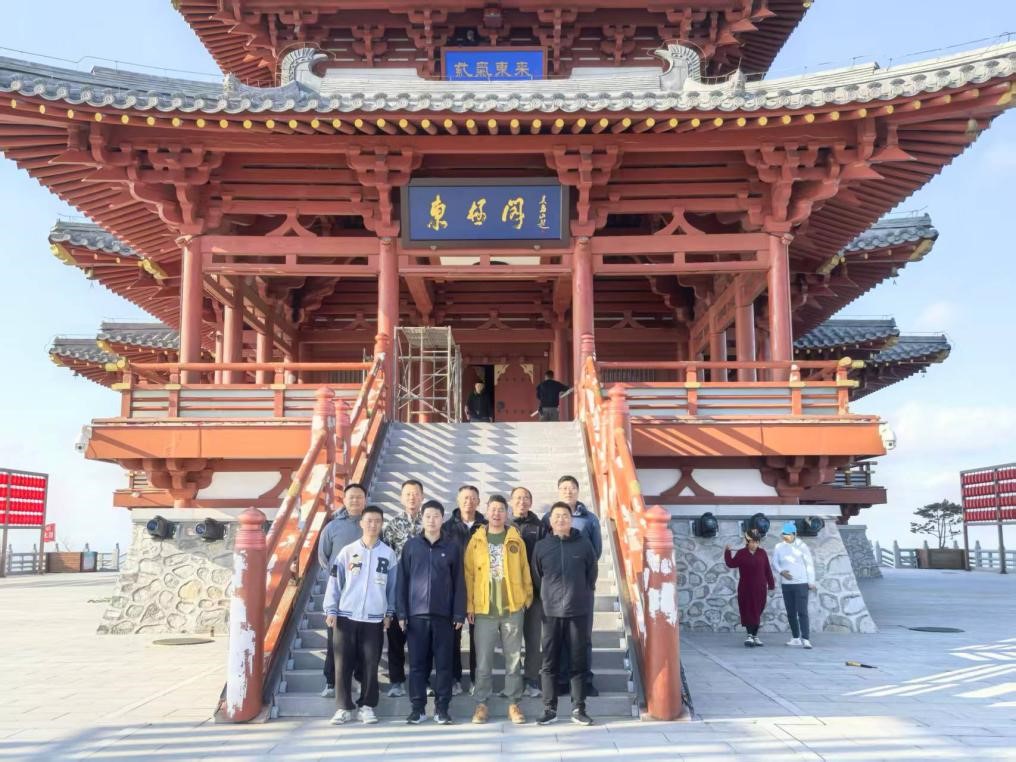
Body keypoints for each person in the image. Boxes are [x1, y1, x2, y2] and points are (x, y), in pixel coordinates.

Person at [324, 505, 397, 725]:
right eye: (369, 521)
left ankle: (367, 706)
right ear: (361, 523)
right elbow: (335, 581)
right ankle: (343, 707)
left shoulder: (388, 554)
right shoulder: (348, 552)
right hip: (346, 616)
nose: (373, 525)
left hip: (374, 618)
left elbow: (393, 587)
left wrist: (389, 612)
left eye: (377, 521)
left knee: (370, 664)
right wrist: (331, 609)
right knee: (342, 664)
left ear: (381, 524)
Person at [465, 495, 533, 725]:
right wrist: (470, 605)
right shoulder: (476, 541)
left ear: (507, 513)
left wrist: (527, 597)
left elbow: (525, 569)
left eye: (501, 510)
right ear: (486, 512)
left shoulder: (515, 539)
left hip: (512, 608)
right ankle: (481, 703)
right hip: (484, 610)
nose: (496, 513)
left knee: (513, 659)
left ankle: (513, 703)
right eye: (493, 509)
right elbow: (469, 575)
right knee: (483, 660)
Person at [397, 500, 465, 725]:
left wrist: (459, 612)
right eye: (428, 516)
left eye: (436, 516)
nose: (432, 520)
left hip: (444, 616)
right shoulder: (411, 546)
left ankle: (442, 709)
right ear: (422, 518)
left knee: (444, 665)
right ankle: (417, 709)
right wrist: (402, 613)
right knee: (417, 665)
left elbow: (459, 582)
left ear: (442, 519)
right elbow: (402, 581)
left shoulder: (452, 547)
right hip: (416, 616)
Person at [531, 502, 597, 726]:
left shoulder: (584, 544)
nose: (561, 519)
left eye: (565, 516)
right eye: (556, 516)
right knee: (549, 662)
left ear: (571, 519)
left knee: (578, 661)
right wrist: (548, 596)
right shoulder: (541, 546)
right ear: (550, 521)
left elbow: (592, 574)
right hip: (550, 612)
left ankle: (579, 708)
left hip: (577, 611)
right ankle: (549, 708)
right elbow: (537, 576)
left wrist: (580, 593)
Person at [541, 475, 601, 695]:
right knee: (558, 639)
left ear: (578, 490)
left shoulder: (589, 519)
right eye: (564, 488)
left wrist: (584, 583)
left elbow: (595, 553)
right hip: (555, 591)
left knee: (583, 638)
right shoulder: (548, 518)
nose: (568, 491)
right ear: (558, 491)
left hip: (580, 589)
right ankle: (562, 680)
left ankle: (585, 681)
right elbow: (542, 553)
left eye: (572, 487)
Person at [317, 483, 367, 698]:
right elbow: (324, 557)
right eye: (351, 497)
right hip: (339, 592)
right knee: (335, 640)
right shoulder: (332, 527)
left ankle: (359, 679)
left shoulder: (371, 524)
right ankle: (331, 681)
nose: (355, 500)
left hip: (365, 592)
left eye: (359, 497)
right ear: (344, 500)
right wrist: (336, 579)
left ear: (365, 500)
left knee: (361, 641)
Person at [381, 479, 425, 697]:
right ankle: (396, 682)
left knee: (423, 640)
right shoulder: (391, 526)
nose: (412, 497)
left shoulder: (430, 522)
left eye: (416, 493)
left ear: (422, 497)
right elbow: (385, 557)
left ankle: (423, 681)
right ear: (401, 498)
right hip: (398, 588)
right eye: (408, 494)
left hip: (424, 590)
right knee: (396, 638)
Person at [444, 484, 487, 694]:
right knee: (453, 635)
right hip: (453, 587)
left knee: (478, 637)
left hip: (480, 587)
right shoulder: (447, 527)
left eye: (472, 498)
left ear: (478, 501)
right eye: (465, 498)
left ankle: (477, 679)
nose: (468, 501)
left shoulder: (486, 526)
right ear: (458, 500)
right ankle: (454, 678)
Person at [510, 486, 545, 697]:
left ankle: (532, 679)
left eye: (525, 498)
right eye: (517, 498)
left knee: (533, 639)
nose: (521, 501)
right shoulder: (505, 525)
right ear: (510, 501)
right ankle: (514, 679)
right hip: (510, 593)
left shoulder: (540, 527)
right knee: (512, 640)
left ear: (531, 502)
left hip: (534, 592)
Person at [724, 529, 776, 647]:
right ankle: (749, 636)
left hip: (760, 588)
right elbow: (731, 563)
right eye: (752, 542)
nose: (754, 544)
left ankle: (755, 636)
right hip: (745, 587)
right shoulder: (741, 553)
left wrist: (771, 584)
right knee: (748, 610)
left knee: (757, 611)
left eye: (757, 542)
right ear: (747, 541)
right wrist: (727, 552)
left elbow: (767, 569)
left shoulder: (762, 553)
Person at [771, 521, 817, 649]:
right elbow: (774, 562)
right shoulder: (779, 547)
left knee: (802, 612)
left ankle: (806, 639)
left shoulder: (802, 546)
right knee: (790, 612)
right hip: (786, 584)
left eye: (789, 534)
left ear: (795, 534)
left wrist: (811, 581)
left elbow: (809, 564)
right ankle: (796, 638)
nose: (786, 536)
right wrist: (781, 572)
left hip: (801, 583)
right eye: (784, 534)